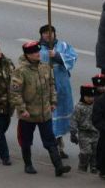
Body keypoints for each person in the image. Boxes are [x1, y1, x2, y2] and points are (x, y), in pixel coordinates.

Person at [10, 41, 72, 176]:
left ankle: (58, 167)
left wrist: (53, 102)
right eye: (34, 52)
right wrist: (22, 110)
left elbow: (51, 85)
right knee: (26, 141)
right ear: (27, 55)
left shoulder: (45, 67)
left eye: (38, 51)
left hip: (45, 113)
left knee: (50, 140)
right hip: (28, 114)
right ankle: (28, 164)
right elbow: (15, 93)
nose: (38, 54)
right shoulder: (20, 72)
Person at [38, 25, 78, 158]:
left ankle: (59, 145)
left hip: (62, 87)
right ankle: (54, 148)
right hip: (47, 89)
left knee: (61, 118)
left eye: (51, 32)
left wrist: (57, 56)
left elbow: (72, 58)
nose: (49, 35)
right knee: (52, 119)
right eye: (45, 33)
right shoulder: (37, 49)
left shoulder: (63, 46)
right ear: (41, 35)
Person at [71, 84, 100, 173]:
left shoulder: (96, 105)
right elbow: (74, 120)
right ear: (83, 96)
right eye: (88, 96)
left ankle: (94, 167)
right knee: (86, 152)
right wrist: (73, 133)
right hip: (84, 133)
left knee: (95, 152)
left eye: (92, 96)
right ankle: (82, 166)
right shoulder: (79, 107)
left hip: (95, 132)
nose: (90, 99)